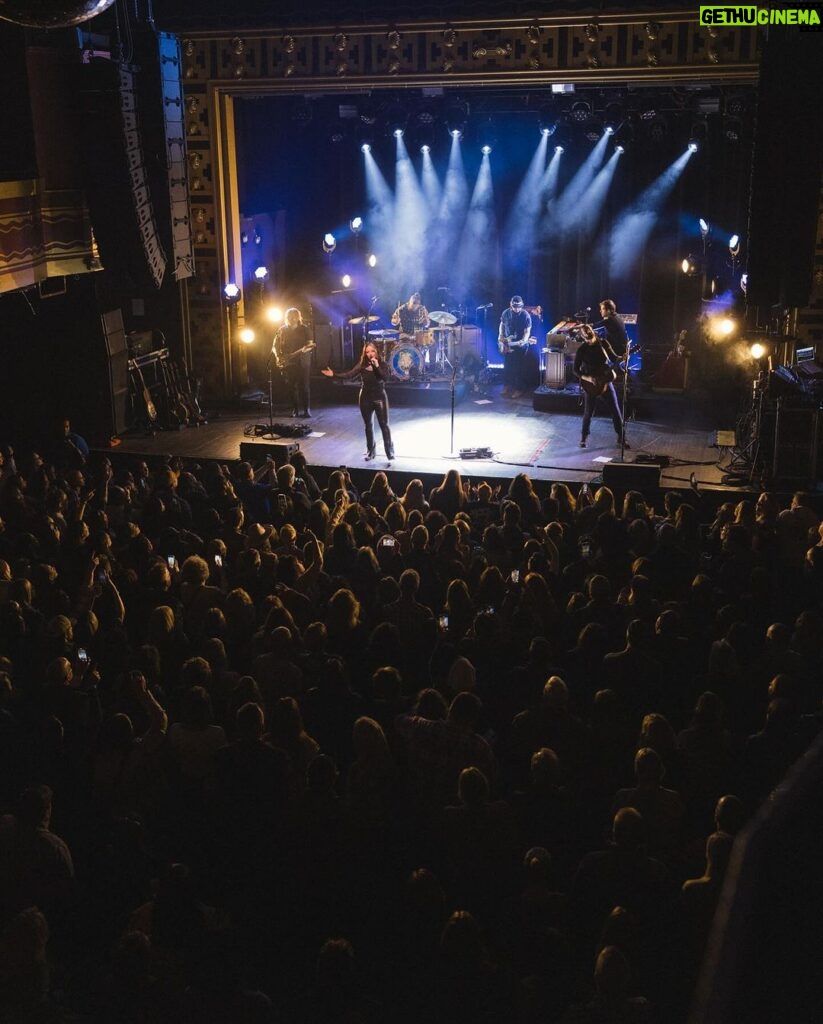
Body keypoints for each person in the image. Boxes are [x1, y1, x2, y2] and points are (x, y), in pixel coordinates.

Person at [321, 342, 395, 461]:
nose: (370, 354)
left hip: (379, 396)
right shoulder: (362, 365)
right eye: (367, 352)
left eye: (372, 351)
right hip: (365, 396)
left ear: (376, 351)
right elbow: (349, 375)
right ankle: (370, 450)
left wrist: (376, 366)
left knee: (384, 425)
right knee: (368, 425)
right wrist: (334, 374)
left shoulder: (382, 364)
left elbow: (384, 378)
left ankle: (389, 451)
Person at [573, 323, 628, 449]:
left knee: (615, 409)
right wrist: (588, 378)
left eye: (590, 334)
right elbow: (575, 370)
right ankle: (584, 438)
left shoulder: (603, 343)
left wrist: (623, 358)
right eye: (586, 337)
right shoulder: (582, 349)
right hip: (590, 383)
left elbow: (614, 358)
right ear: (583, 337)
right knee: (588, 413)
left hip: (605, 380)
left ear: (593, 332)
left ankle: (621, 437)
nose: (589, 338)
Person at [273, 307, 315, 418]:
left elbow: (310, 345)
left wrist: (305, 349)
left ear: (298, 317)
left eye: (295, 317)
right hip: (288, 363)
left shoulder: (305, 329)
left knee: (304, 386)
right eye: (290, 317)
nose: (292, 319)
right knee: (291, 387)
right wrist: (278, 357)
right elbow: (275, 346)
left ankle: (307, 409)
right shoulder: (282, 330)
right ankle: (295, 410)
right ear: (286, 318)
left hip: (302, 361)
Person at [498, 295, 533, 398]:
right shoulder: (505, 313)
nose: (517, 309)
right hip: (508, 343)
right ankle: (507, 386)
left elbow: (527, 331)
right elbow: (502, 325)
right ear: (511, 305)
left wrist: (524, 340)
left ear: (521, 306)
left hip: (520, 345)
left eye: (519, 307)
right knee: (507, 365)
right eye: (515, 306)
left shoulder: (525, 315)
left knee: (518, 367)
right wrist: (500, 336)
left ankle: (519, 389)